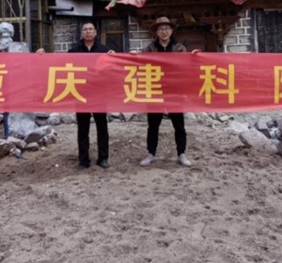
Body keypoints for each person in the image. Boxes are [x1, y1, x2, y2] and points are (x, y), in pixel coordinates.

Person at [37, 22, 115, 170]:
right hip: (80, 94)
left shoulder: (104, 50)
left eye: (90, 29)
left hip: (99, 94)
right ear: (81, 33)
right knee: (83, 129)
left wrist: (119, 56)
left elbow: (115, 66)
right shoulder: (74, 51)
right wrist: (43, 55)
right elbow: (58, 62)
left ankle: (103, 158)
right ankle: (83, 160)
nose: (88, 32)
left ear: (95, 32)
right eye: (85, 29)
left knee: (102, 128)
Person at [133, 17, 198, 168]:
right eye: (161, 29)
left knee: (179, 125)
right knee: (153, 125)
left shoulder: (179, 48)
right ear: (156, 32)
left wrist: (193, 57)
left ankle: (181, 154)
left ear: (171, 31)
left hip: (174, 90)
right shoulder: (149, 48)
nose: (164, 31)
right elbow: (141, 61)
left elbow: (186, 63)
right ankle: (151, 153)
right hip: (155, 90)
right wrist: (134, 56)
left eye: (167, 28)